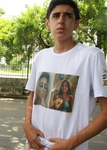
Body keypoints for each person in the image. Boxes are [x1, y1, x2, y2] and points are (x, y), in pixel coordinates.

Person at [23, 0, 107, 150]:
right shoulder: (40, 56)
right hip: (36, 144)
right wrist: (27, 125)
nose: (61, 20)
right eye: (56, 16)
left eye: (68, 15)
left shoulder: (92, 56)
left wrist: (71, 144)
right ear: (47, 23)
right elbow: (33, 96)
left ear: (76, 24)